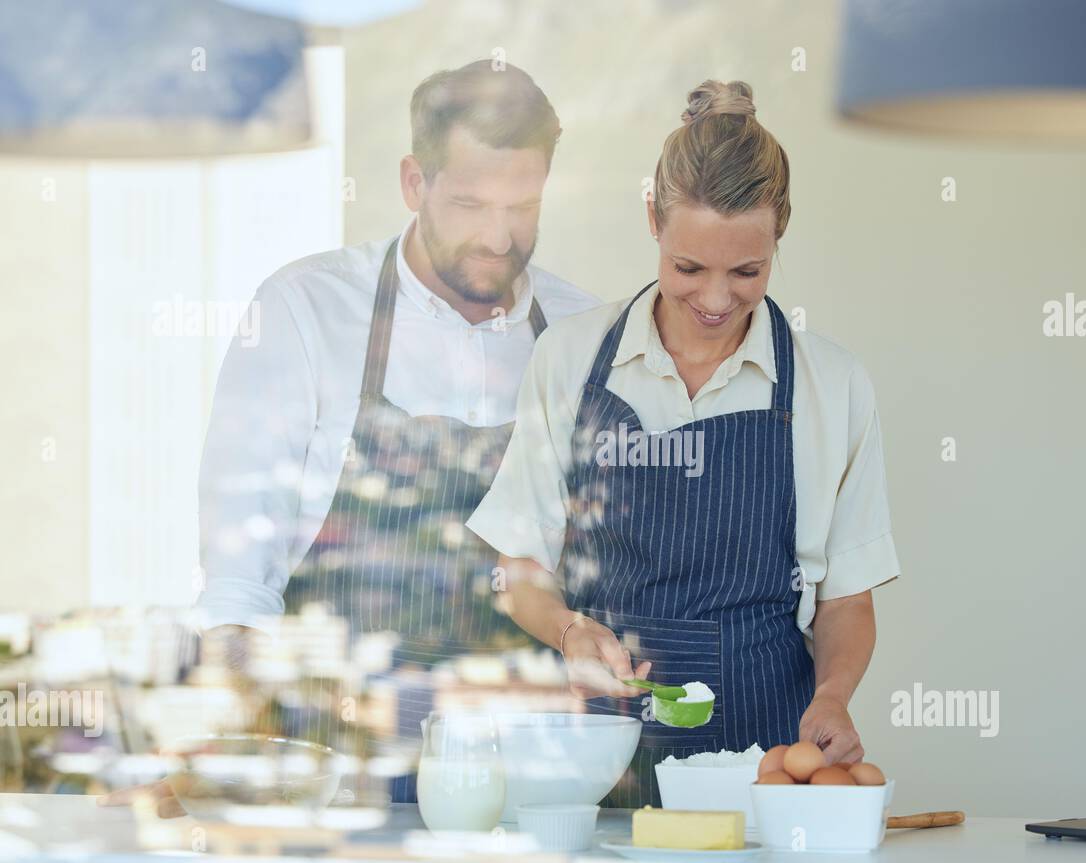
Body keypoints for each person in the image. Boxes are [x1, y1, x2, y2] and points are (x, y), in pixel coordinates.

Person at [103, 61, 598, 814]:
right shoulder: (306, 312)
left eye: (522, 206)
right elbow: (242, 571)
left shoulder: (581, 333)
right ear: (413, 182)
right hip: (337, 759)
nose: (498, 238)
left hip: (517, 769)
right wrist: (226, 727)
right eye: (469, 202)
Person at [466, 81, 900, 808]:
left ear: (779, 235)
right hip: (602, 760)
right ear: (653, 221)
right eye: (690, 268)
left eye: (748, 272)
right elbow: (518, 569)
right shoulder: (570, 360)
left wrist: (832, 696)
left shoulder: (834, 385)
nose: (717, 299)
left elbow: (845, 600)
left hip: (764, 767)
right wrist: (570, 631)